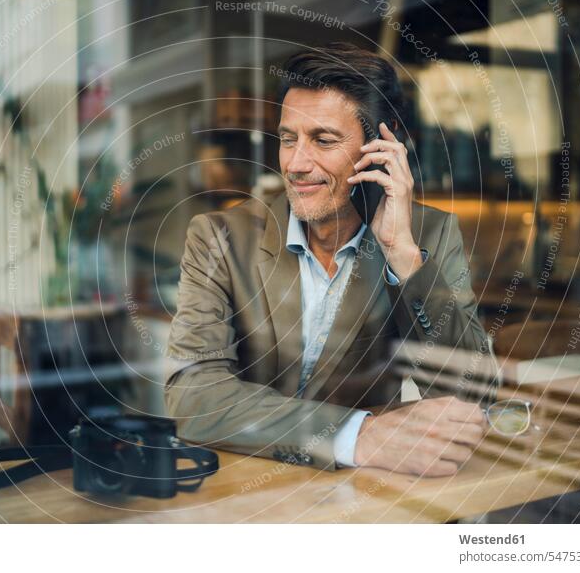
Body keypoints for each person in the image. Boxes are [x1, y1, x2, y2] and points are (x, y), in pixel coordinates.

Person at [165, 43, 494, 476]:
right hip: (243, 488)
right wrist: (356, 435)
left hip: (359, 500)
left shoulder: (427, 236)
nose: (297, 164)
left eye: (323, 140)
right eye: (288, 139)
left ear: (381, 143)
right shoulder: (219, 237)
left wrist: (402, 256)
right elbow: (193, 396)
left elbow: (473, 396)